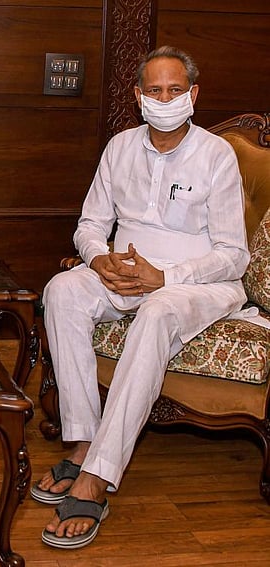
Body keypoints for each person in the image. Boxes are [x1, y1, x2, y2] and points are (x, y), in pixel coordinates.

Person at [31, 45, 249, 549]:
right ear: (138, 96)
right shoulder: (119, 147)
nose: (164, 99)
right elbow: (90, 224)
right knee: (62, 289)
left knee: (155, 312)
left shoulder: (217, 155)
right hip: (123, 273)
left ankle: (97, 476)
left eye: (175, 90)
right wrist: (97, 259)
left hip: (197, 284)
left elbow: (234, 254)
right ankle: (84, 441)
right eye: (155, 90)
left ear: (193, 94)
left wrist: (165, 277)